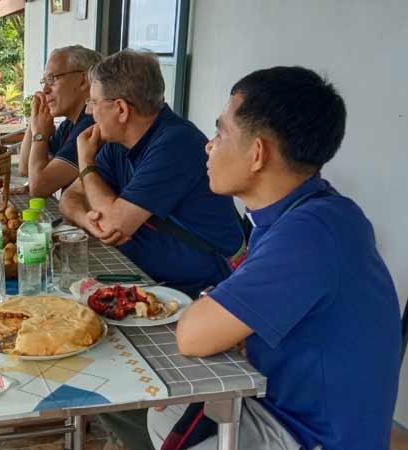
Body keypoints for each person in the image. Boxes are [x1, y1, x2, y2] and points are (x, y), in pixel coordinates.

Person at [155, 66, 402, 450]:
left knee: (170, 400)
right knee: (162, 412)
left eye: (221, 132)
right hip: (282, 403)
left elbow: (193, 336)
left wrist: (212, 311)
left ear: (257, 154)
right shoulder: (310, 211)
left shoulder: (311, 233)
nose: (209, 145)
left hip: (310, 434)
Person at [60, 49, 245, 297]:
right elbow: (69, 198)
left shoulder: (176, 144)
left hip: (200, 292)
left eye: (93, 102)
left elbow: (113, 224)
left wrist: (86, 162)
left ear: (121, 109)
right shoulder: (118, 142)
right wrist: (90, 223)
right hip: (144, 277)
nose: (88, 112)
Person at [18, 45, 102, 198]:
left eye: (52, 79)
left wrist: (40, 135)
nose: (45, 90)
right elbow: (25, 168)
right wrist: (35, 120)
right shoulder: (69, 124)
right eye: (44, 81)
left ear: (83, 80)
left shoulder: (91, 123)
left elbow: (39, 187)